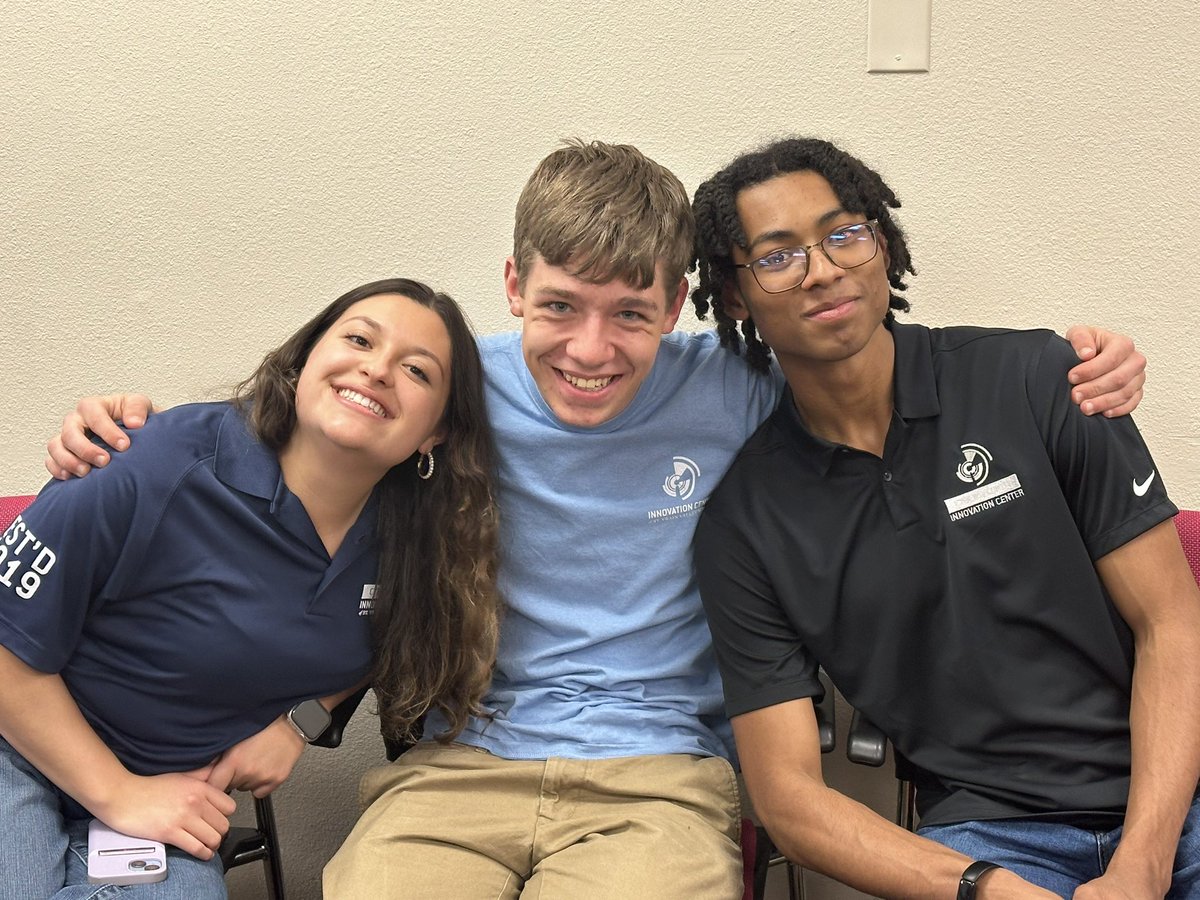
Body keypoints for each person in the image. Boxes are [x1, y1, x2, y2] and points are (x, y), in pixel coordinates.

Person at [44, 142, 1148, 900]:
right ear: (514, 282)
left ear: (678, 306)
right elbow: (277, 444)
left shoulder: (739, 387)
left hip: (662, 774)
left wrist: (1074, 365)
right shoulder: (439, 387)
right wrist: (116, 426)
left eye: (631, 315)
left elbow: (877, 359)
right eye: (560, 305)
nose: (589, 349)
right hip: (455, 767)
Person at [690, 136, 1200, 898]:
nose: (822, 269)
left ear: (882, 245)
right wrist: (984, 888)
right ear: (734, 296)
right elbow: (787, 800)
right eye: (777, 255)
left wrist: (1142, 864)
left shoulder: (1039, 378)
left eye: (843, 235)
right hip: (984, 838)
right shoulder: (745, 523)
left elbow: (1173, 625)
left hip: (1176, 802)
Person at [1, 278, 499, 900]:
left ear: (438, 433)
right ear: (305, 360)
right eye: (358, 339)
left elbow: (373, 647)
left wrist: (297, 726)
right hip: (18, 746)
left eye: (417, 371)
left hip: (164, 794)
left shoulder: (415, 545)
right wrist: (117, 792)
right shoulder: (150, 461)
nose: (376, 370)